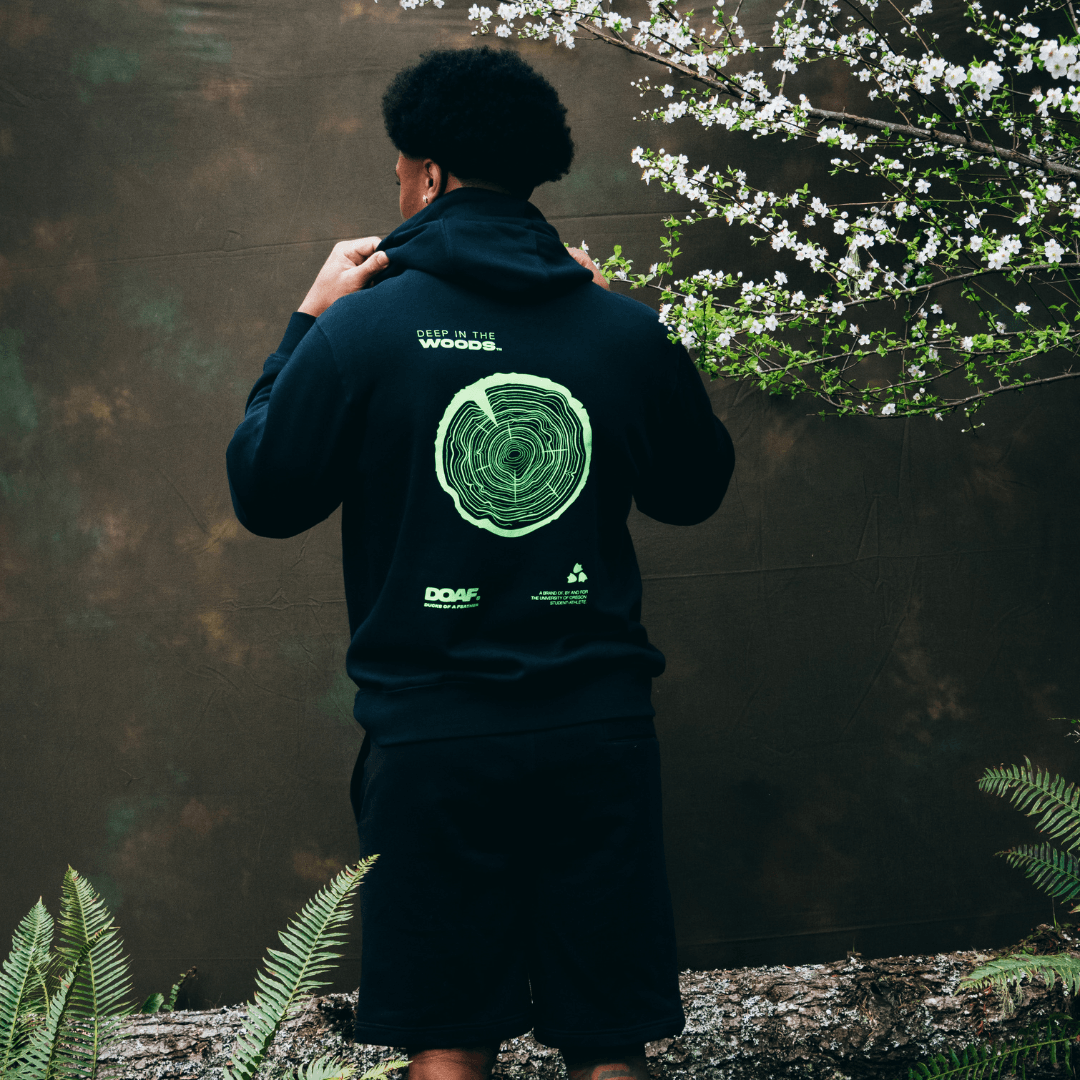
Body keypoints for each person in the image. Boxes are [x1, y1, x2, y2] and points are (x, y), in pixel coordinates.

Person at [226, 45, 735, 1080]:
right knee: (609, 1044)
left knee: (447, 1043)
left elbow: (267, 494)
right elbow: (695, 490)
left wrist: (304, 323)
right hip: (599, 734)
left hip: (434, 744)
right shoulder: (618, 329)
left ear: (427, 173)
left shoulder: (360, 328)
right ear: (531, 172)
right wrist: (626, 336)